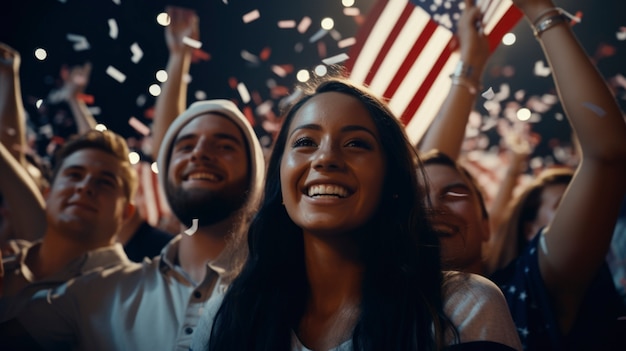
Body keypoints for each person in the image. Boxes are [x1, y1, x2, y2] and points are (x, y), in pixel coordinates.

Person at [191, 77, 522, 351]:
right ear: (280, 176)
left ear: (392, 181)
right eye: (305, 141)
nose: (326, 158)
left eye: (355, 144)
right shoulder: (229, 311)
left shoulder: (461, 307)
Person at [418, 0, 626, 349]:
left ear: (488, 225)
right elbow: (426, 170)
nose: (433, 207)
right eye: (414, 198)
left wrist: (539, 10)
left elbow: (607, 155)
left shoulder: (523, 291)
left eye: (455, 194)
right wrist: (469, 64)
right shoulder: (367, 310)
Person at [0, 98, 266, 351]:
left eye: (224, 146)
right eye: (185, 146)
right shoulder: (95, 295)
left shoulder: (287, 290)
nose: (199, 153)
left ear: (256, 176)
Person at [0, 129, 137, 319]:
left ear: (126, 213)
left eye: (105, 182)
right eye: (74, 175)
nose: (85, 186)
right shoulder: (8, 261)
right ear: (47, 195)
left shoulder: (130, 298)